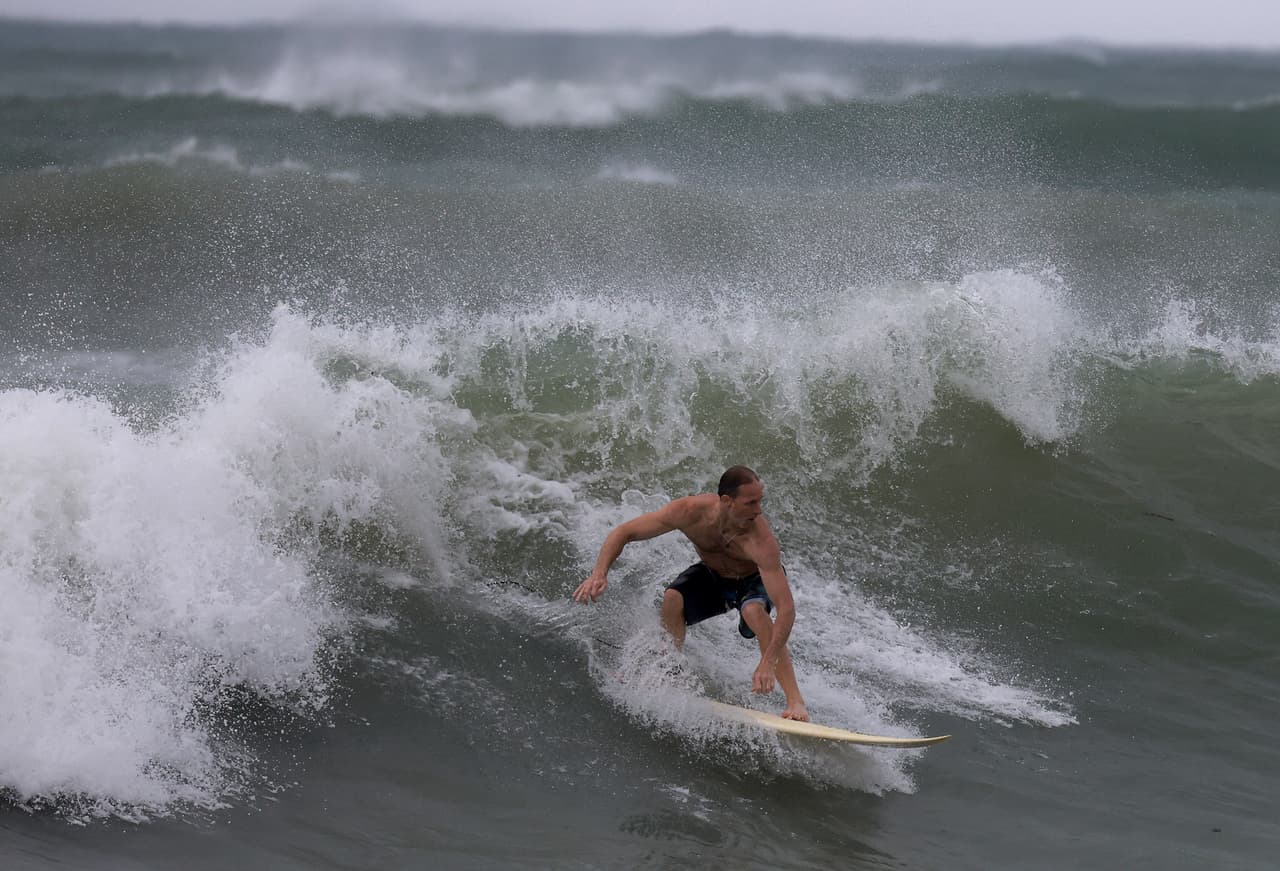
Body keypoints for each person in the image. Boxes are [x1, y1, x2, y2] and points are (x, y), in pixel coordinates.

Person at [573, 466, 809, 721]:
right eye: (750, 502)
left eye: (759, 501)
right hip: (714, 576)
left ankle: (795, 701)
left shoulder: (761, 542)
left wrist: (767, 661)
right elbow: (624, 532)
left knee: (754, 612)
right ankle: (668, 673)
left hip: (752, 581)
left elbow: (786, 608)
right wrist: (599, 573)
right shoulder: (688, 512)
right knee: (673, 598)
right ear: (726, 501)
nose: (758, 510)